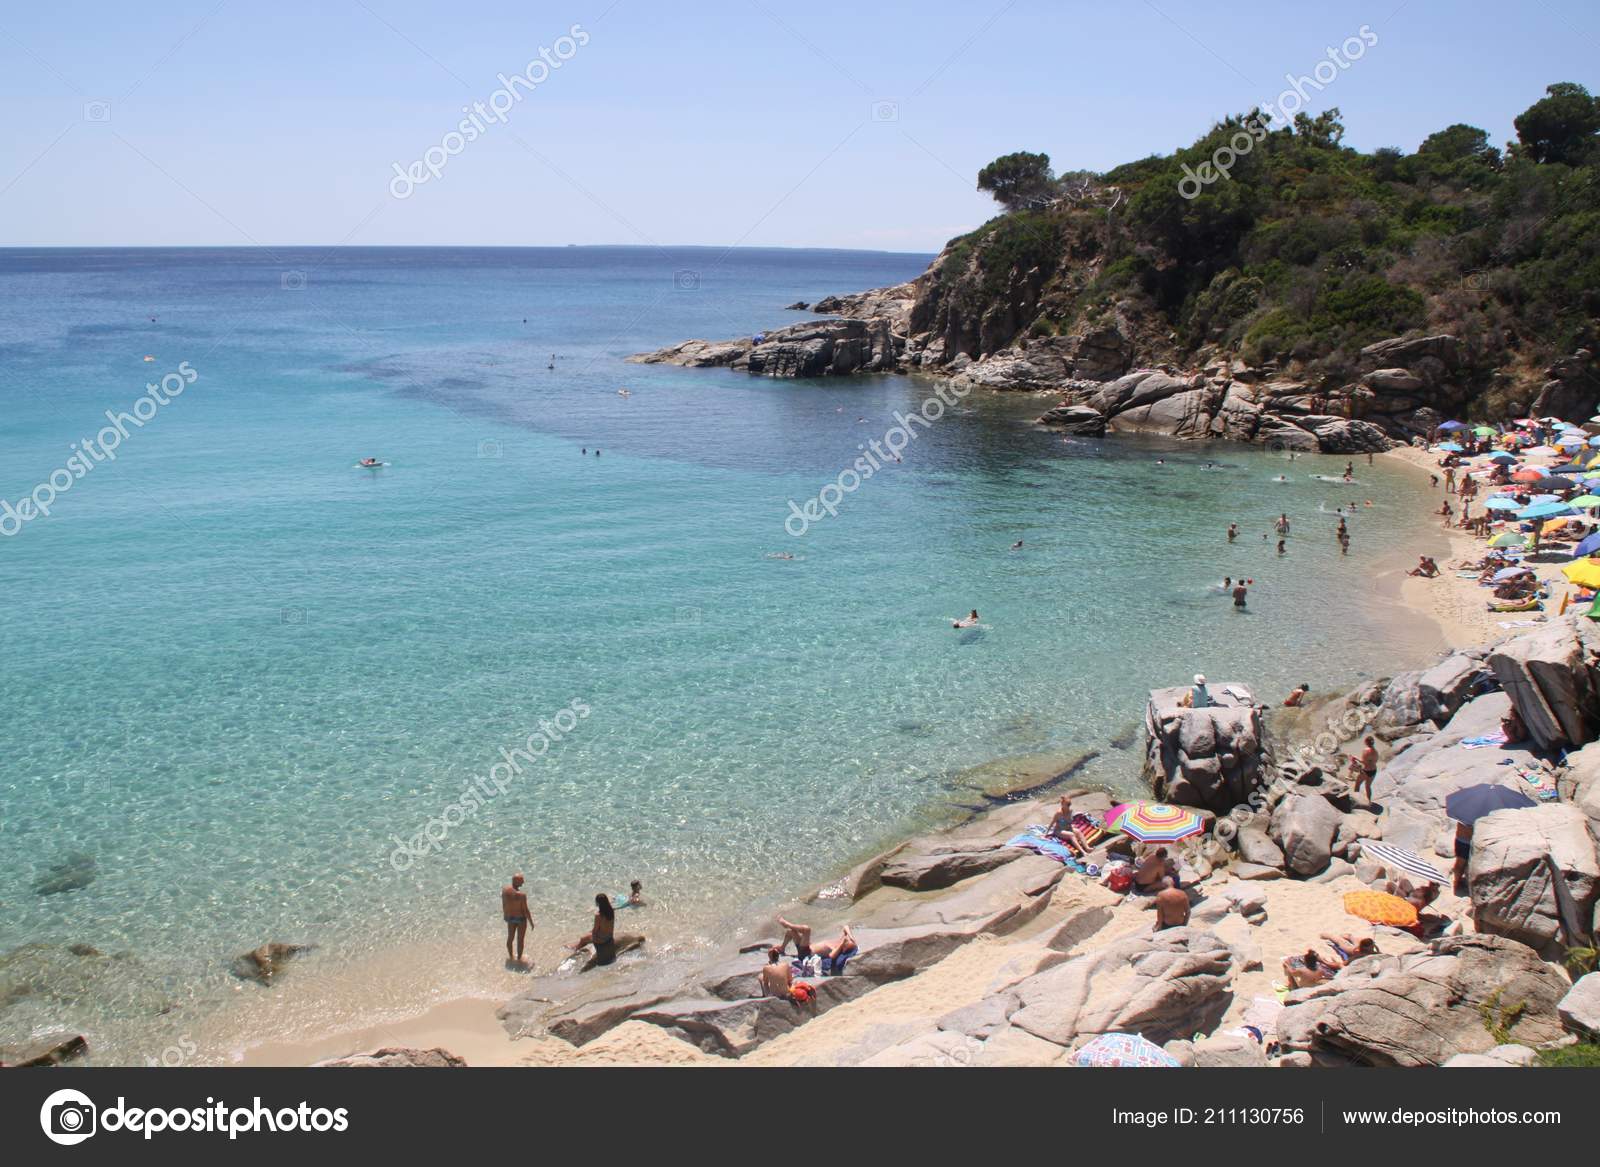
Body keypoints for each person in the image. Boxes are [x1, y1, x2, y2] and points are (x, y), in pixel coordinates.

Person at [569, 893, 616, 963]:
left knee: (583, 939)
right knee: (588, 934)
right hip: (609, 936)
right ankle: (577, 945)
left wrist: (594, 939)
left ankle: (576, 950)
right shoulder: (611, 911)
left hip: (601, 939)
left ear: (598, 903)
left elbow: (595, 930)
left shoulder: (598, 915)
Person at [502, 874, 533, 966]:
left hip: (510, 918)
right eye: (521, 881)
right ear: (516, 881)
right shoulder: (521, 895)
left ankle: (511, 956)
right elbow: (525, 910)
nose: (523, 882)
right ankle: (519, 959)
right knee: (520, 940)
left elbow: (504, 904)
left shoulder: (504, 891)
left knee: (510, 938)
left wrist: (505, 915)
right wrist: (531, 922)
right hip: (521, 919)